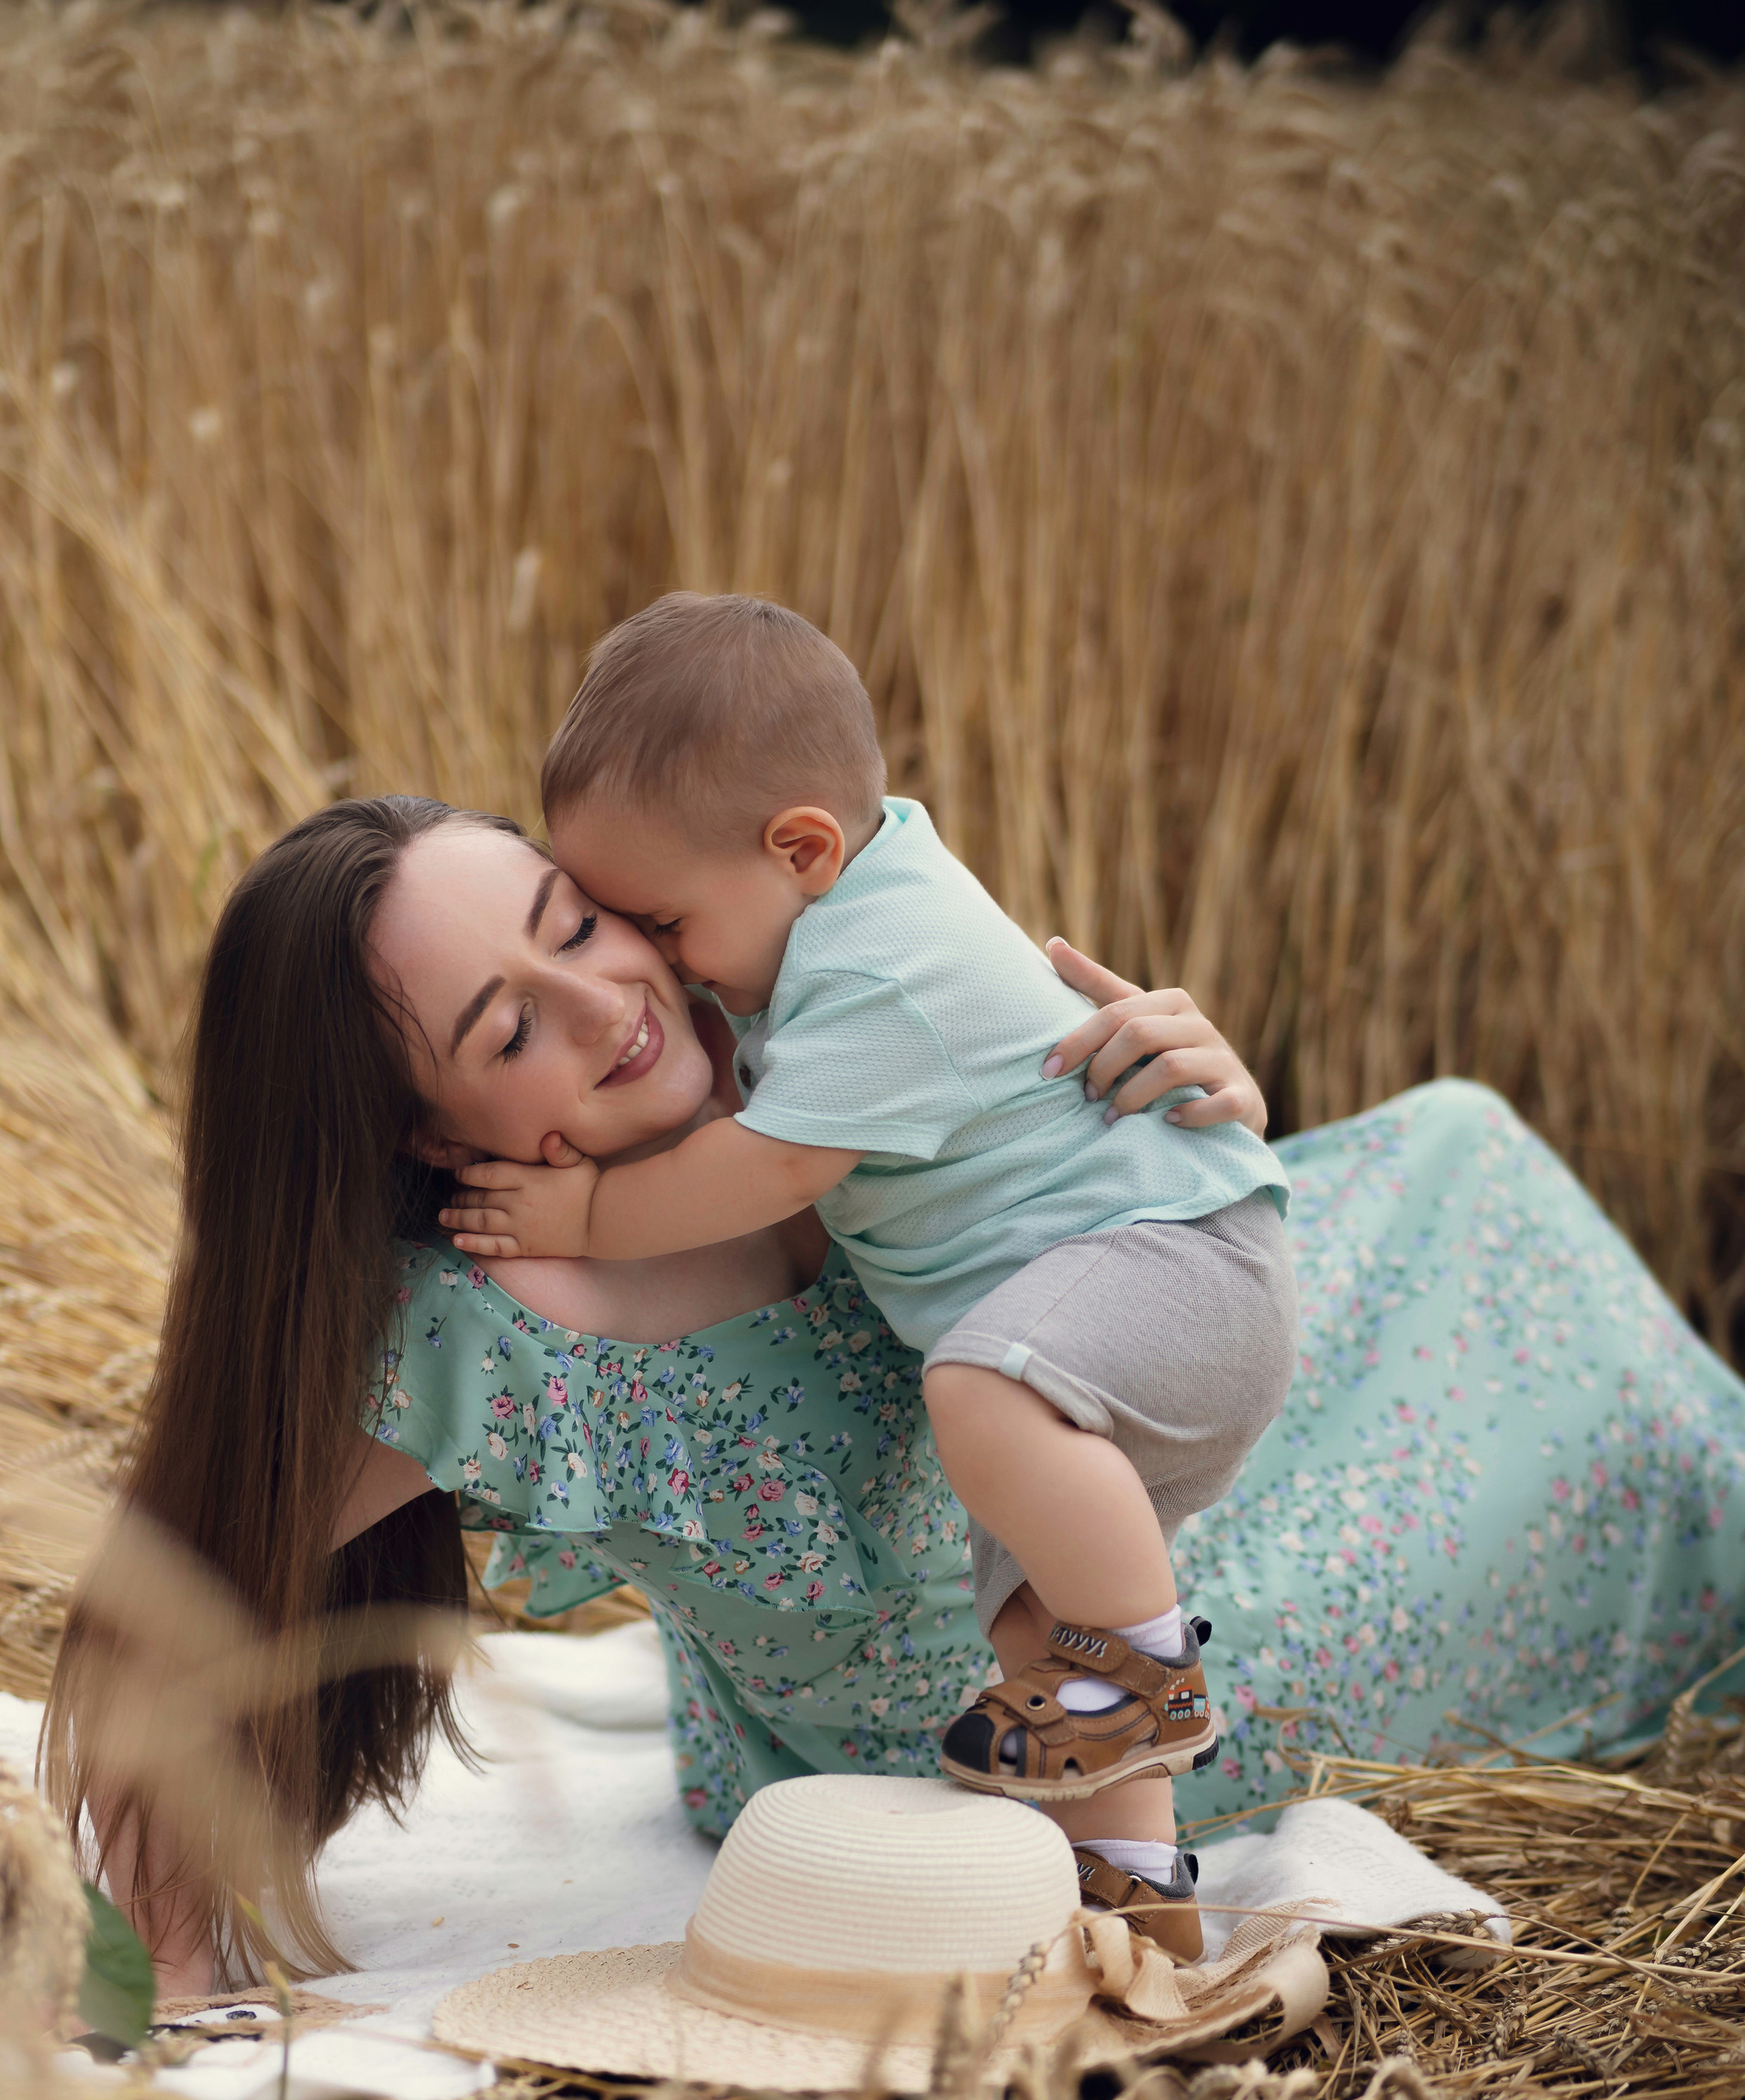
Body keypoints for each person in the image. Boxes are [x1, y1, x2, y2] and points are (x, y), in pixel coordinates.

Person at [44, 793, 1745, 2001]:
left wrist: (1193, 1122)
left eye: (577, 925)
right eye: (512, 1032)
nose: (612, 1003)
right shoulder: (496, 1319)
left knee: (1454, 1148)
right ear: (435, 1137)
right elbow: (178, 1599)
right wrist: (161, 1962)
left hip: (1137, 1422)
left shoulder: (818, 1038)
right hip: (1067, 1697)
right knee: (1585, 1475)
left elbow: (1089, 1233)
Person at [440, 595, 1298, 1955]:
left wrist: (591, 1211)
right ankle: (1140, 1907)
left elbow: (776, 1168)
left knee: (975, 1394)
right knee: (1032, 1628)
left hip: (1169, 1274)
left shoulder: (883, 972)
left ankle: (1157, 1677)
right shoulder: (832, 923)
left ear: (801, 848)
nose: (657, 965)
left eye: (661, 920)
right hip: (1100, 1318)